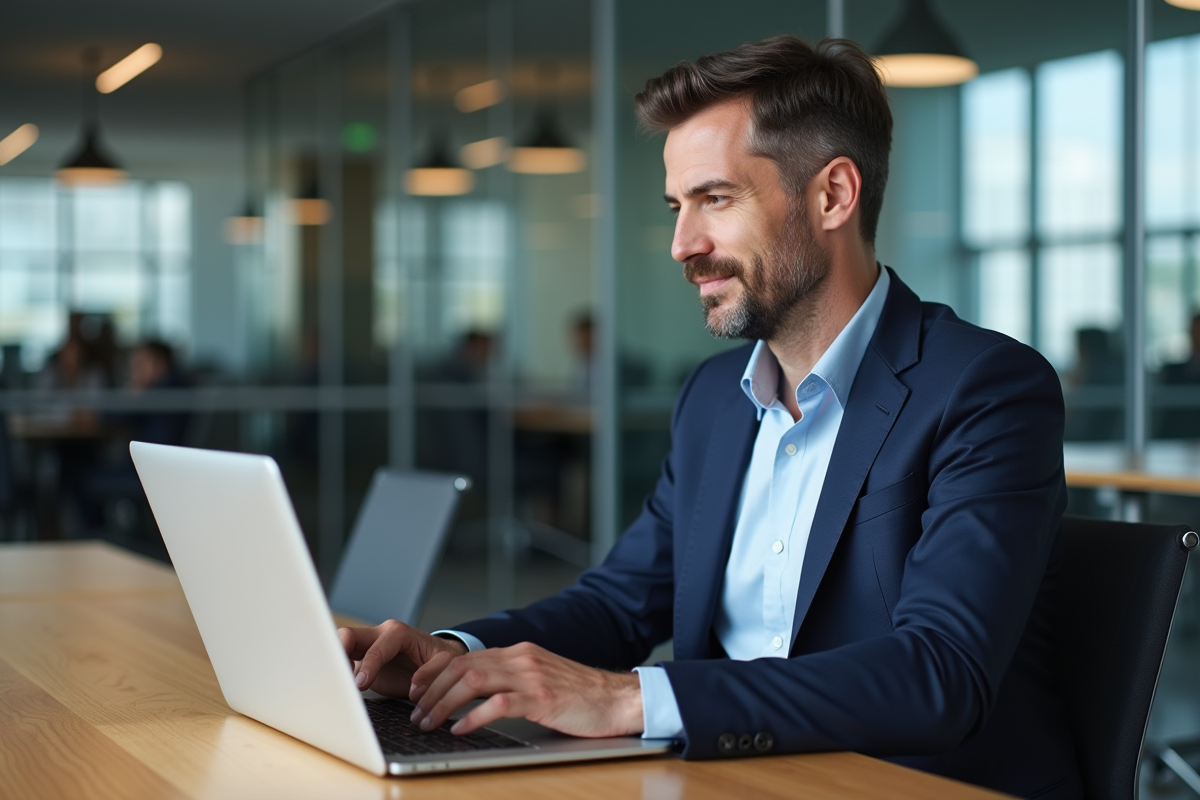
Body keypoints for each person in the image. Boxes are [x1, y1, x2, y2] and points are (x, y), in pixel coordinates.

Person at [339, 36, 1078, 799]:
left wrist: (630, 698)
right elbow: (619, 602)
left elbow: (941, 672)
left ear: (833, 196)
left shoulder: (985, 388)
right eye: (677, 205)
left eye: (716, 199)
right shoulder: (712, 399)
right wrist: (451, 654)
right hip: (726, 776)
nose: (682, 244)